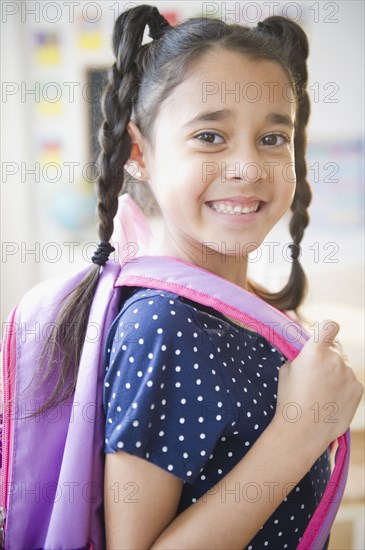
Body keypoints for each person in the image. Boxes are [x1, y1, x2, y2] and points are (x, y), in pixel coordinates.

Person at [44, 5, 363, 549]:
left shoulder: (237, 307)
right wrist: (301, 430)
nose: (249, 167)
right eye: (211, 136)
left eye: (273, 139)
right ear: (139, 151)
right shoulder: (165, 323)